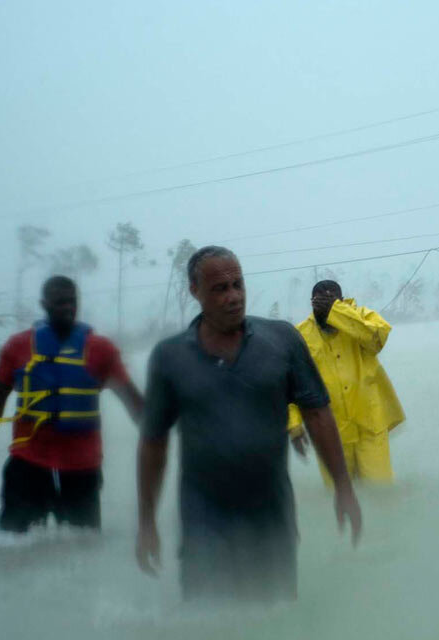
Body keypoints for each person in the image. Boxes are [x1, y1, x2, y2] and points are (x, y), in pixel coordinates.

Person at [135, 246, 362, 601]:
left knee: (277, 617)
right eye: (220, 288)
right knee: (208, 624)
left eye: (237, 284)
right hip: (203, 522)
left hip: (271, 515)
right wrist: (147, 521)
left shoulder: (282, 340)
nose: (233, 297)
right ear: (194, 291)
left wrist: (343, 486)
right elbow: (154, 442)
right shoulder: (170, 357)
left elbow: (317, 414)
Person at [0, 275, 143, 532]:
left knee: (84, 548)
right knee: (13, 545)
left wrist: (158, 435)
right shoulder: (17, 346)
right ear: (44, 304)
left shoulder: (101, 350)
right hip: (28, 460)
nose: (67, 307)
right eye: (59, 302)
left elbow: (131, 399)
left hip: (82, 465)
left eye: (72, 301)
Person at [286, 280, 405, 484]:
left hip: (370, 424)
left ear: (341, 301)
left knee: (381, 491)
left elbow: (376, 340)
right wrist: (294, 426)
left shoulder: (364, 318)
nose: (325, 306)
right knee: (340, 494)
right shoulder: (301, 336)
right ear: (311, 303)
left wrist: (336, 313)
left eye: (331, 300)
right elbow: (293, 384)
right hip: (329, 431)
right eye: (319, 301)